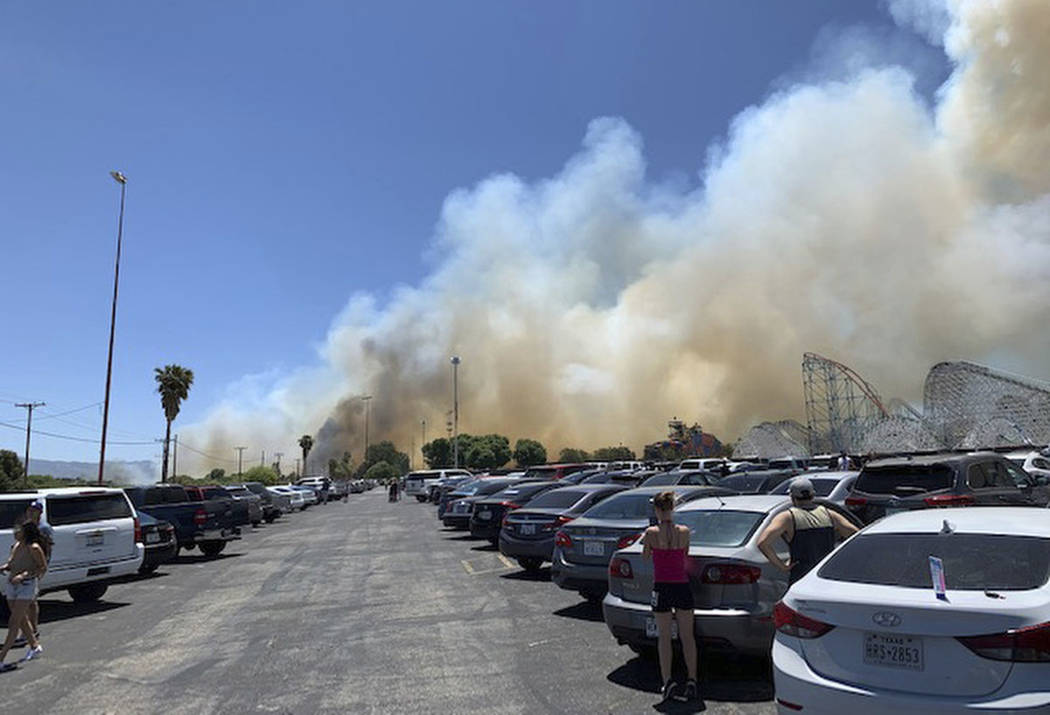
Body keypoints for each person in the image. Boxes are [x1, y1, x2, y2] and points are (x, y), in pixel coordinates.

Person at [641, 491, 700, 704]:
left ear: (657, 510)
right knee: (687, 636)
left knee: (664, 637)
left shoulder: (650, 532)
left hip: (662, 587)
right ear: (672, 508)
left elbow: (646, 556)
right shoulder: (684, 531)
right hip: (681, 586)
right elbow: (685, 554)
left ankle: (668, 681)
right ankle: (692, 679)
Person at [758, 477, 858, 584]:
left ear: (792, 497)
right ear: (813, 495)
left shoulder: (787, 517)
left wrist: (782, 566)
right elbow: (855, 535)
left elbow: (763, 543)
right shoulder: (830, 514)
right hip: (825, 575)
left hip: (801, 577)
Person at [0, 521, 47, 671]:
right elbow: (12, 563)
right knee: (20, 620)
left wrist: (24, 575)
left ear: (25, 532)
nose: (15, 533)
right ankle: (34, 646)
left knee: (14, 622)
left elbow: (41, 567)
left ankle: (1, 657)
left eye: (18, 530)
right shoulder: (16, 546)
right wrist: (5, 567)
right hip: (12, 585)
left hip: (26, 586)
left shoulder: (34, 548)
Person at [16, 500, 52, 648]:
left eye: (34, 510)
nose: (31, 512)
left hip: (35, 566)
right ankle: (29, 631)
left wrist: (43, 567)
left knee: (29, 601)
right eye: (30, 509)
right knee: (29, 600)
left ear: (40, 512)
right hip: (25, 565)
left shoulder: (44, 528)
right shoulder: (26, 526)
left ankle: (30, 632)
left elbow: (47, 548)